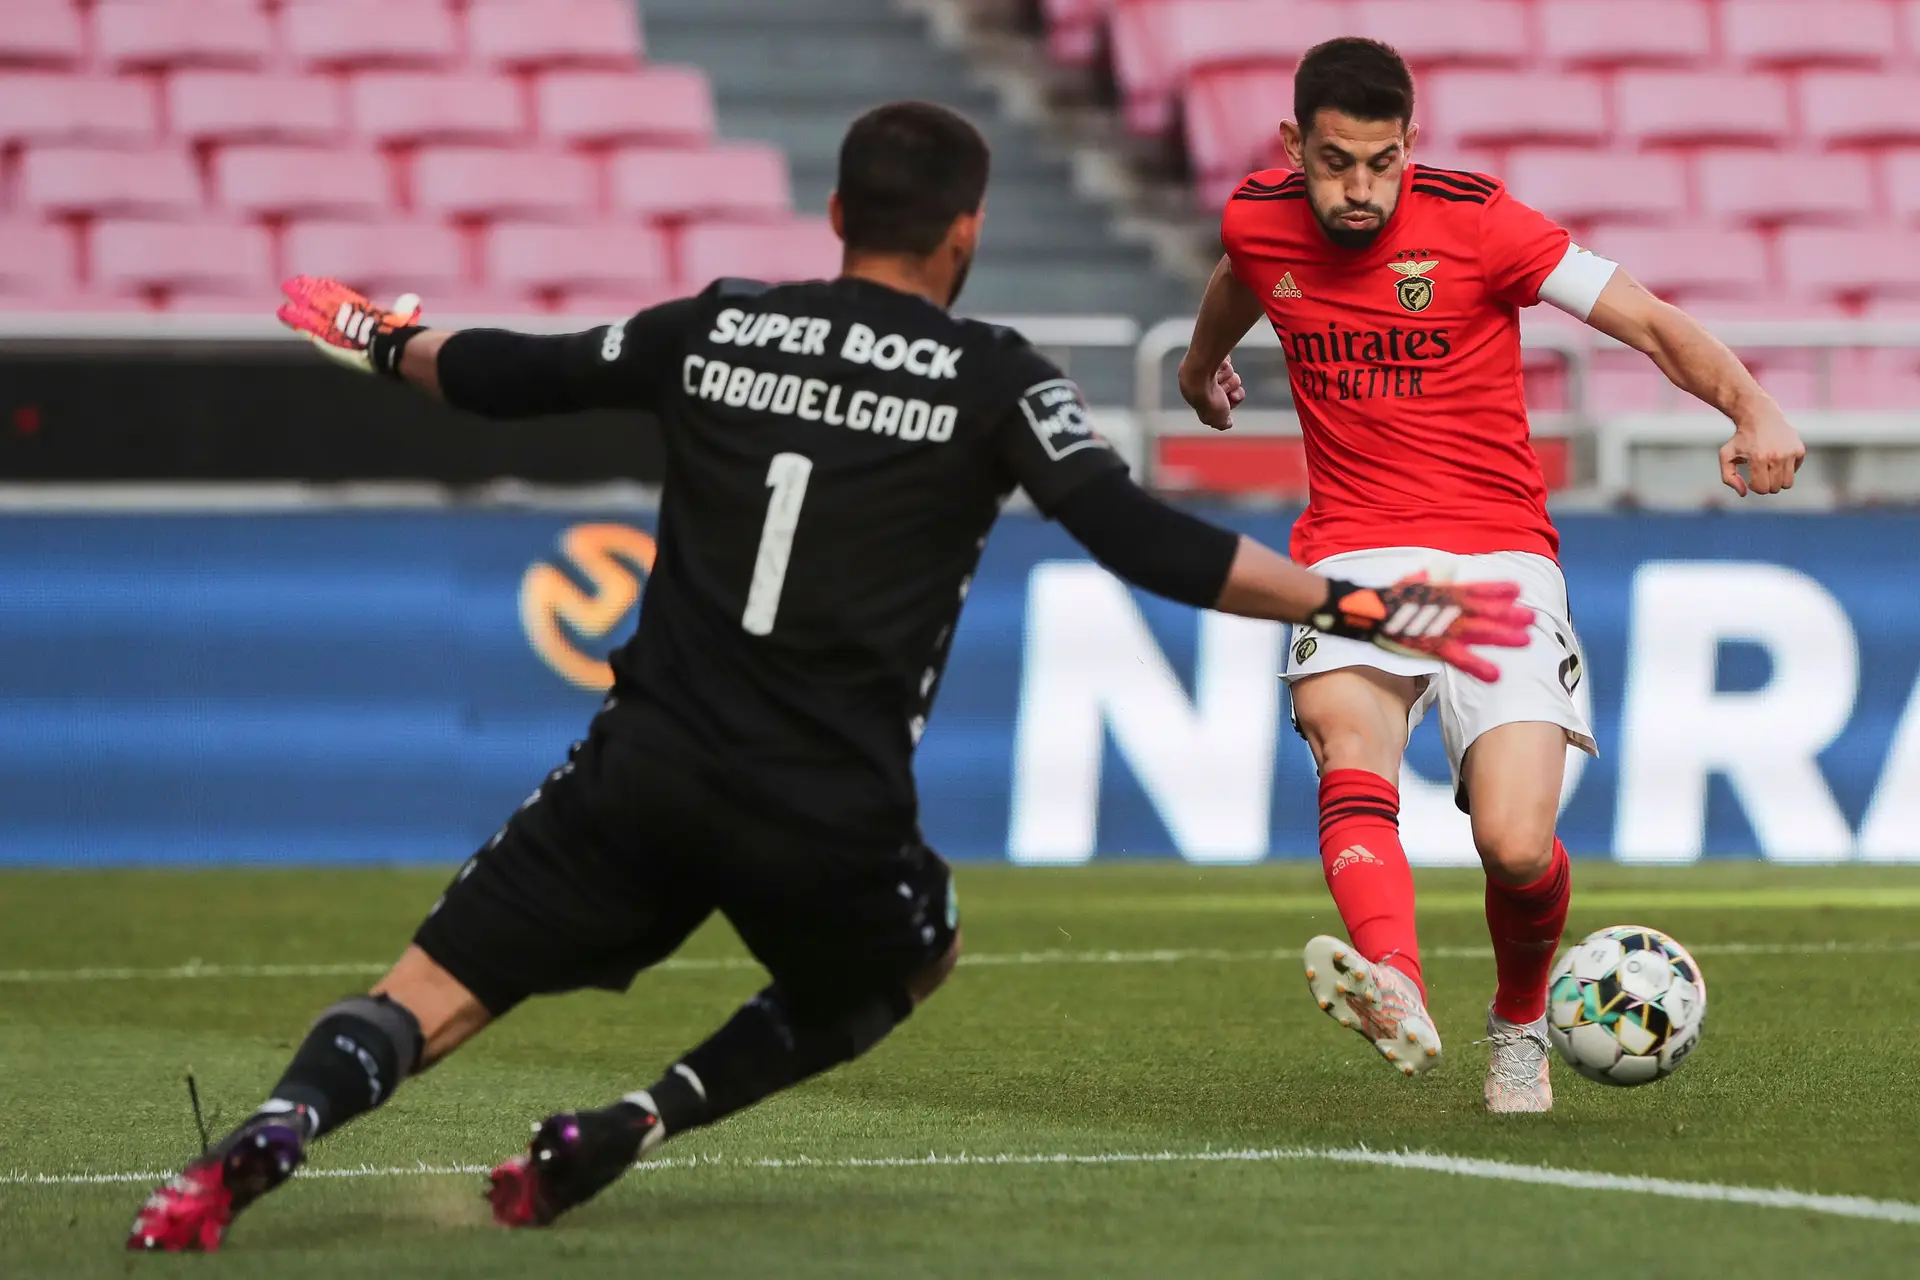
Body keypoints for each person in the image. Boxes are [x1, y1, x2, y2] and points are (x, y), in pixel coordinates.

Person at [128, 100, 1533, 1252]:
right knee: (913, 957)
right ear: (967, 230)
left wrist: (381, 339)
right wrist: (1363, 599)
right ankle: (631, 1122)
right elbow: (1137, 536)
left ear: (838, 220)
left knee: (428, 989)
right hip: (823, 800)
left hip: (645, 764)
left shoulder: (720, 324)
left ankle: (270, 1134)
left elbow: (503, 371)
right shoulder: (996, 378)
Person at [1179, 39, 1805, 1113]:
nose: (1362, 189)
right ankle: (1399, 984)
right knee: (1347, 733)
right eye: (1336, 164)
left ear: (1411, 145)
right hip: (1354, 545)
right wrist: (1199, 365)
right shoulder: (1256, 212)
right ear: (1294, 147)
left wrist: (1752, 404)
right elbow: (1244, 272)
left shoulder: (1482, 223)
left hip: (1496, 551)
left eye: (1383, 162)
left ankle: (1519, 1023)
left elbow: (1646, 319)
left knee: (1516, 844)